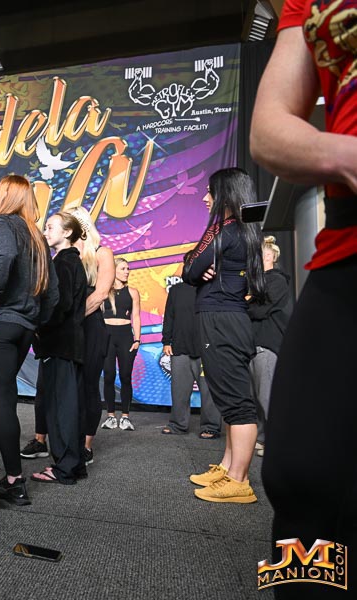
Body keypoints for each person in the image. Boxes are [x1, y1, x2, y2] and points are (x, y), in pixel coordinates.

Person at [251, 2, 357, 581]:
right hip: (346, 247)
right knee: (296, 475)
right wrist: (344, 154)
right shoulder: (306, 3)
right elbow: (267, 130)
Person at [0, 175, 57, 507]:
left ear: (6, 196)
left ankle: (14, 481)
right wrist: (34, 322)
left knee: (1, 398)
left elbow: (3, 259)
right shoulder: (37, 236)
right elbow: (52, 294)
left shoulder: (0, 223)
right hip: (22, 328)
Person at [183, 168, 266, 504]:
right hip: (223, 319)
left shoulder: (228, 231)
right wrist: (193, 263)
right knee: (230, 400)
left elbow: (191, 269)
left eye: (211, 192)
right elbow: (191, 266)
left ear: (227, 195)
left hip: (223, 321)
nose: (206, 198)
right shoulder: (240, 231)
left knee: (238, 403)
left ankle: (239, 481)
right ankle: (229, 468)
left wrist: (193, 264)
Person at [30, 212, 87, 485]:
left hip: (59, 344)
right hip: (69, 344)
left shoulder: (63, 263)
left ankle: (64, 468)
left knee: (59, 408)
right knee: (68, 406)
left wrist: (38, 326)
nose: (45, 231)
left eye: (51, 227)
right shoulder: (71, 261)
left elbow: (59, 305)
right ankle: (74, 465)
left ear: (67, 232)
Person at [160, 256, 222, 439]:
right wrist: (166, 341)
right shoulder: (176, 290)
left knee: (209, 391)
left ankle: (210, 427)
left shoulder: (212, 287)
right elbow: (169, 316)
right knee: (179, 390)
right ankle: (177, 424)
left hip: (207, 348)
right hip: (179, 347)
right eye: (190, 263)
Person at [246, 236, 291, 458]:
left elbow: (259, 310)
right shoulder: (255, 281)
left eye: (266, 255)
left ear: (274, 257)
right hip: (253, 345)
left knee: (267, 397)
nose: (263, 258)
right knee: (256, 398)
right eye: (260, 255)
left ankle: (277, 443)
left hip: (267, 344)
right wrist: (250, 301)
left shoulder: (277, 281)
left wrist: (248, 301)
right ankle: (263, 438)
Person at [99, 258, 141, 431]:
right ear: (113, 270)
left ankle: (125, 417)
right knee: (108, 376)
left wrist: (137, 339)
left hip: (125, 337)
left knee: (125, 376)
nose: (127, 271)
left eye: (128, 269)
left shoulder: (132, 292)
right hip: (106, 336)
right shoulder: (102, 290)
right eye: (123, 268)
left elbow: (136, 316)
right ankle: (110, 416)